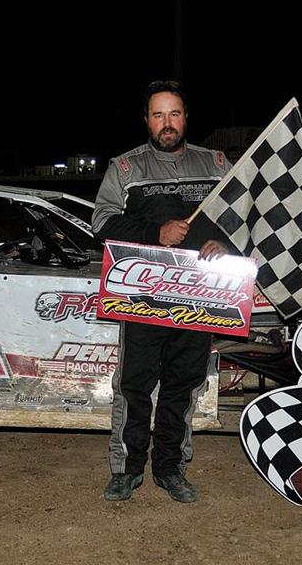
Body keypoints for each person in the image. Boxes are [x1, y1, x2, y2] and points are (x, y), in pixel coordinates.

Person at [92, 80, 233, 503]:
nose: (166, 123)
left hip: (199, 298)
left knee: (182, 384)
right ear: (147, 120)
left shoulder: (217, 162)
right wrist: (157, 231)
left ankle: (171, 469)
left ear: (186, 118)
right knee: (134, 384)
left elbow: (242, 217)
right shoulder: (125, 168)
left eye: (174, 114)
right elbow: (101, 222)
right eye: (158, 115)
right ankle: (127, 470)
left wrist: (225, 243)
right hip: (142, 295)